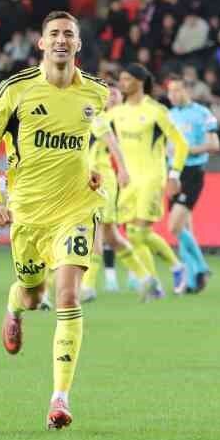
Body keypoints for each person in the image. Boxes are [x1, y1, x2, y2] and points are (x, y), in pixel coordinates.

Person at [0, 12, 108, 430]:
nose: (61, 40)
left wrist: (96, 166)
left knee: (68, 295)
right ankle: (15, 306)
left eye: (69, 34)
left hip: (77, 209)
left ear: (78, 44)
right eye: (54, 34)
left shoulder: (99, 94)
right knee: (34, 296)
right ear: (42, 43)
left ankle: (60, 398)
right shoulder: (15, 90)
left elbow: (101, 142)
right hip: (28, 214)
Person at [108, 64, 190, 301]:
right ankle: (161, 278)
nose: (122, 83)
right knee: (134, 235)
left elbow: (181, 144)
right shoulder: (117, 113)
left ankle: (170, 271)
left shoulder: (156, 111)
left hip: (152, 179)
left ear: (140, 82)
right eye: (121, 79)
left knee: (139, 232)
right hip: (128, 181)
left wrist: (174, 175)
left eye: (127, 79)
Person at [164, 77, 220, 294]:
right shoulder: (169, 115)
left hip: (192, 172)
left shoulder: (202, 113)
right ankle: (192, 280)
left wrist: (187, 150)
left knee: (174, 226)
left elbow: (214, 144)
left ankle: (202, 267)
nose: (172, 95)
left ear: (187, 91)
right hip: (173, 172)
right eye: (170, 91)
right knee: (183, 230)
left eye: (177, 90)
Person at [81, 87, 132, 299]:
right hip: (99, 179)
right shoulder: (93, 118)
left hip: (111, 179)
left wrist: (123, 170)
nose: (111, 98)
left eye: (115, 94)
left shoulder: (122, 120)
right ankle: (139, 275)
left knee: (106, 231)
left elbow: (117, 147)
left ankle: (89, 285)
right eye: (108, 94)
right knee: (110, 233)